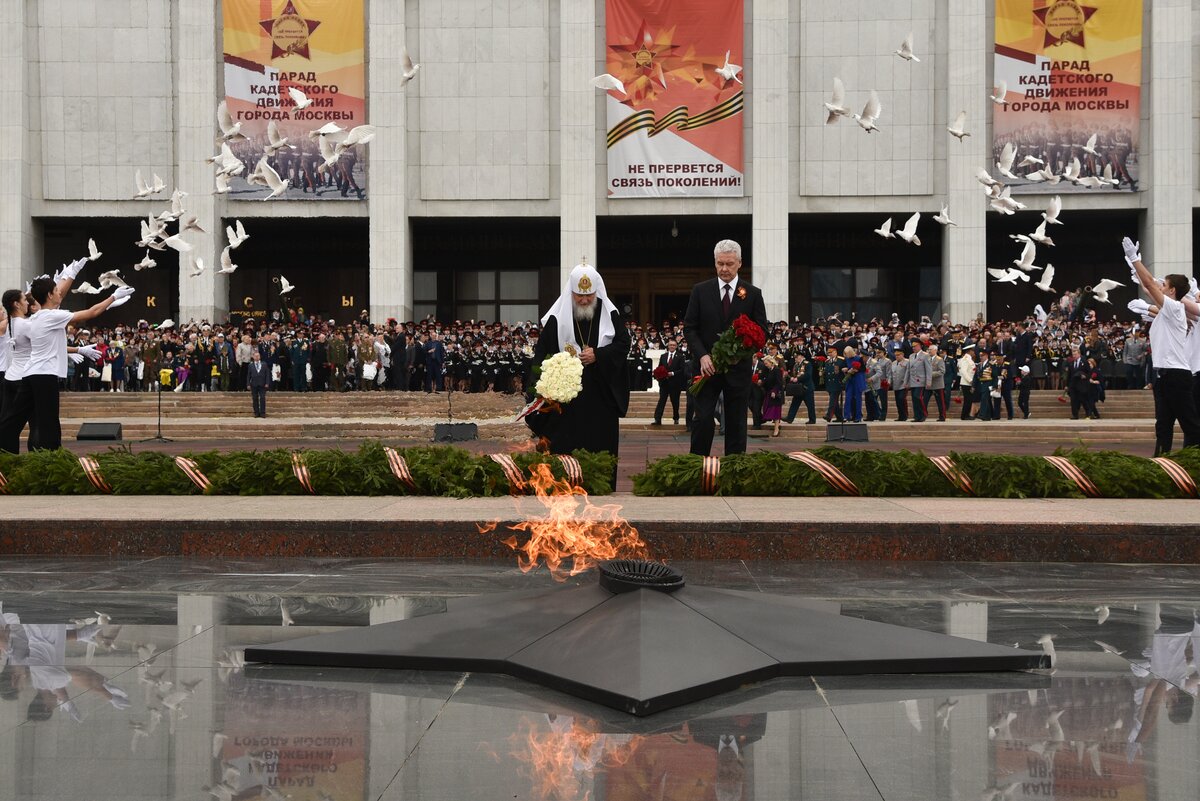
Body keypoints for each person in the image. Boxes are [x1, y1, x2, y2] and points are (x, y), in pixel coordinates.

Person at [0, 267, 132, 452]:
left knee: (14, 419)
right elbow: (91, 312)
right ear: (49, 294)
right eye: (55, 291)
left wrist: (68, 278)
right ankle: (52, 459)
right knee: (49, 422)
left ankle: (5, 457)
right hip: (44, 375)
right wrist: (113, 297)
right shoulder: (51, 316)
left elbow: (59, 304)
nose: (59, 293)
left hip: (30, 373)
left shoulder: (36, 317)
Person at [528, 263, 630, 464]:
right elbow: (541, 353)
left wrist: (598, 355)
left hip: (600, 395)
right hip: (567, 401)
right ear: (571, 292)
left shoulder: (610, 314)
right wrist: (537, 388)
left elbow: (623, 344)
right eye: (579, 295)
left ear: (596, 291)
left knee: (599, 447)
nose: (584, 300)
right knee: (565, 448)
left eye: (589, 296)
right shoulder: (557, 318)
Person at [683, 240, 769, 456]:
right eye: (720, 263)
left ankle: (734, 469)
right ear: (715, 263)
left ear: (739, 263)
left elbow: (761, 333)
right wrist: (702, 356)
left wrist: (740, 353)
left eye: (729, 264)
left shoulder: (752, 293)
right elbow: (690, 328)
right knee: (702, 419)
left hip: (737, 370)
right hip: (705, 370)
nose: (724, 269)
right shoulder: (700, 291)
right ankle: (697, 466)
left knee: (736, 421)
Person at [1124, 237, 1200, 454]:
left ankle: (1193, 465)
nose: (1161, 286)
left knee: (1191, 426)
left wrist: (1135, 258)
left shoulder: (1175, 308)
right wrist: (1135, 268)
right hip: (1163, 375)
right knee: (1163, 427)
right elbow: (1149, 287)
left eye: (1164, 285)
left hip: (1178, 375)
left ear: (1172, 290)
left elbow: (1150, 284)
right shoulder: (1166, 310)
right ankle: (1161, 465)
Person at [652, 338, 685, 426]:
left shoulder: (681, 356)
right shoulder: (663, 356)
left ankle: (676, 418)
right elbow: (659, 368)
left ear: (676, 346)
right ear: (668, 346)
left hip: (675, 384)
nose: (672, 346)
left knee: (675, 402)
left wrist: (673, 373)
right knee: (661, 401)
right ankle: (657, 419)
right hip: (664, 383)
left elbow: (682, 370)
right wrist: (657, 374)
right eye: (670, 345)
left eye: (674, 345)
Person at [760, 354, 784, 436]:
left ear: (771, 362)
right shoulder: (768, 371)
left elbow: (779, 383)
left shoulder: (777, 370)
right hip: (769, 393)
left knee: (775, 411)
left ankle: (776, 428)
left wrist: (774, 391)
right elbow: (767, 381)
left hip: (775, 394)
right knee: (768, 410)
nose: (765, 365)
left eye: (766, 363)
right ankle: (775, 426)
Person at [840, 346, 866, 423]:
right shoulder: (847, 359)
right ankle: (846, 416)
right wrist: (845, 369)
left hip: (857, 379)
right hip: (850, 380)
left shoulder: (858, 358)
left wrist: (856, 370)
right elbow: (845, 367)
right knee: (848, 398)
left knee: (858, 398)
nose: (846, 355)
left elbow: (863, 369)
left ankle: (858, 416)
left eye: (847, 353)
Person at [247, 349, 270, 417]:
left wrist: (267, 383)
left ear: (260, 357)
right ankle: (256, 412)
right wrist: (248, 384)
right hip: (253, 384)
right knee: (255, 398)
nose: (257, 357)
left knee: (262, 398)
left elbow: (267, 374)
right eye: (255, 356)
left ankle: (262, 412)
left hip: (262, 384)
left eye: (258, 356)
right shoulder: (250, 365)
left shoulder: (264, 364)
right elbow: (248, 375)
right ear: (253, 357)